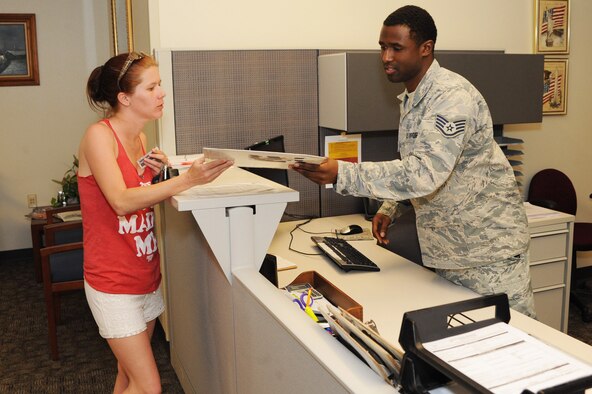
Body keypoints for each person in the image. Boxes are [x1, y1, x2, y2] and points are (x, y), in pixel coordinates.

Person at [292, 5, 536, 317]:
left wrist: (342, 173)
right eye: (382, 47)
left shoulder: (450, 98)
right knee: (464, 347)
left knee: (515, 341)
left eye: (396, 48)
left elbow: (425, 173)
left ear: (425, 49)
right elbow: (420, 162)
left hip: (489, 250)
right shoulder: (415, 97)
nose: (386, 57)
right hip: (451, 250)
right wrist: (391, 207)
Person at [78, 52, 232, 393]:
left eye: (160, 84)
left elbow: (140, 195)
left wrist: (156, 173)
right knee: (149, 386)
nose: (162, 92)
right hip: (112, 282)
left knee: (128, 376)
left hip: (144, 274)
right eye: (152, 87)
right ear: (125, 98)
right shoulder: (99, 137)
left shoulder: (141, 140)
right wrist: (187, 180)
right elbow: (119, 202)